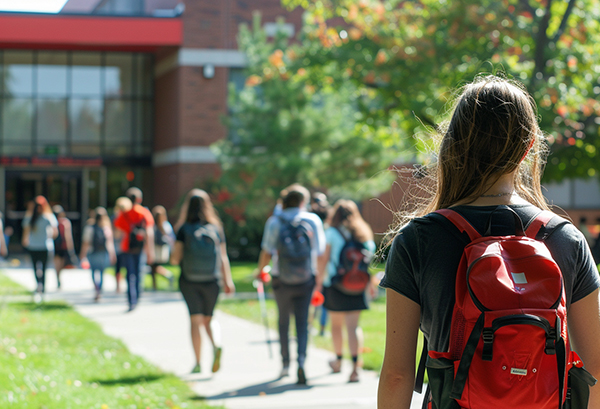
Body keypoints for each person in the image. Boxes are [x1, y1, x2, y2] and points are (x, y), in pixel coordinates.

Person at [377, 75, 600, 408]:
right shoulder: (566, 239)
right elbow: (595, 370)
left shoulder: (418, 239)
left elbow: (397, 376)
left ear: (453, 145)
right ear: (528, 149)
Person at [257, 183, 326, 385]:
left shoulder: (274, 222)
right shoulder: (312, 220)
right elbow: (320, 252)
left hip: (281, 278)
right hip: (307, 278)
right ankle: (302, 362)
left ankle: (285, 363)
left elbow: (267, 251)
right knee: (303, 322)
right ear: (303, 201)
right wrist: (319, 280)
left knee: (283, 321)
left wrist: (260, 272)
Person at [170, 189, 235, 374]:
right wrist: (228, 280)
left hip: (189, 280)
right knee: (209, 318)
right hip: (212, 280)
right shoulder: (215, 228)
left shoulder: (183, 229)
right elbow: (223, 257)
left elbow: (175, 259)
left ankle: (198, 363)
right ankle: (217, 344)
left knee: (195, 321)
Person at [316, 199, 375, 383]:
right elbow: (368, 262)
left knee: (336, 325)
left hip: (336, 285)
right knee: (353, 327)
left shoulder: (332, 233)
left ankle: (339, 361)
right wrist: (370, 284)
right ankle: (356, 368)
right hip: (358, 285)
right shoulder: (364, 233)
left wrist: (318, 284)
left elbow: (323, 260)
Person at [113, 195, 155, 312]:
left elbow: (117, 233)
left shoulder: (124, 213)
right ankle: (137, 297)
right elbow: (149, 233)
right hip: (140, 248)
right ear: (139, 199)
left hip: (127, 248)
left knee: (129, 274)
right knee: (138, 273)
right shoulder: (144, 213)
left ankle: (131, 300)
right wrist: (150, 251)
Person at [21, 196, 58, 302]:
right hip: (44, 246)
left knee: (36, 267)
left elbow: (25, 233)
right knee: (43, 268)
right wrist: (48, 237)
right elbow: (55, 232)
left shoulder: (32, 217)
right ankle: (42, 286)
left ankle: (39, 285)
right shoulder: (48, 217)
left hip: (34, 246)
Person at [80, 207, 117, 301]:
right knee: (101, 272)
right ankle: (99, 290)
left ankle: (96, 289)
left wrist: (82, 254)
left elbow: (86, 243)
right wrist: (112, 254)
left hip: (93, 252)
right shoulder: (106, 228)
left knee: (93, 272)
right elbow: (110, 243)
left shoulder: (89, 228)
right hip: (103, 253)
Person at [150, 205, 175, 290]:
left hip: (158, 248)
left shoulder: (164, 225)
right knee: (153, 267)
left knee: (154, 266)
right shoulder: (162, 225)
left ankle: (168, 275)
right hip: (157, 248)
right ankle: (155, 285)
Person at [52, 204, 77, 289]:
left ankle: (57, 277)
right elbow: (68, 236)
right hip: (62, 246)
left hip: (55, 245)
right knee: (62, 263)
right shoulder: (65, 222)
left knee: (57, 263)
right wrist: (70, 248)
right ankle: (59, 277)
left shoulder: (52, 222)